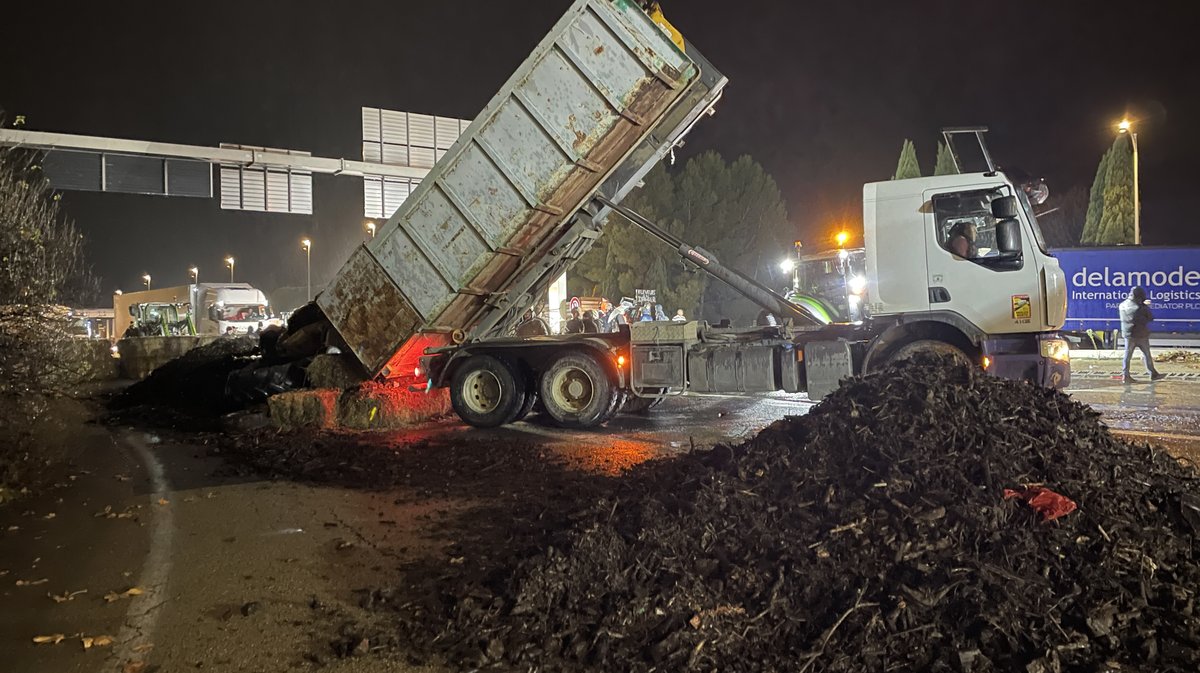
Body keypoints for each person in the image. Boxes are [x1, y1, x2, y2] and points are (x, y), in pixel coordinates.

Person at [1119, 286, 1164, 383]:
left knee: (1127, 355)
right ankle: (1153, 373)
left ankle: (1125, 375)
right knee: (1147, 354)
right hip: (1141, 335)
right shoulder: (1140, 308)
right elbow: (1150, 318)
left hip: (1128, 334)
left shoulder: (1122, 305)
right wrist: (1146, 306)